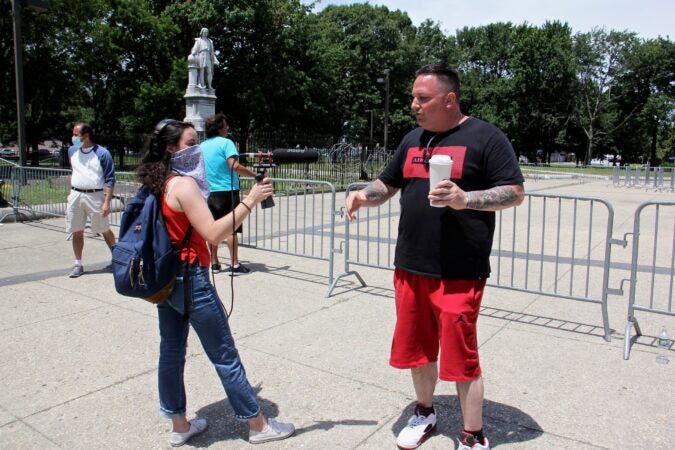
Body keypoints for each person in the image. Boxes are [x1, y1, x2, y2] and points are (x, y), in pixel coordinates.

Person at [345, 64, 525, 450]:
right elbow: (387, 183)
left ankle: (473, 435)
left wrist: (466, 199)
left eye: (422, 98)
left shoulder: (485, 137)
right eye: (413, 97)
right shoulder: (413, 139)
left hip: (459, 271)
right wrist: (362, 194)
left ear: (449, 99)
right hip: (410, 266)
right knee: (418, 349)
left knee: (462, 357)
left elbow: (514, 191)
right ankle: (424, 412)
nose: (414, 105)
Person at [138, 119, 294, 447]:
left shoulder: (159, 181)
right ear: (171, 148)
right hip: (191, 278)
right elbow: (213, 233)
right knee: (224, 353)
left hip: (167, 279)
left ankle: (179, 424)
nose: (197, 149)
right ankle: (258, 424)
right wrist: (250, 201)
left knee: (170, 351)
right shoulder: (183, 186)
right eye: (191, 142)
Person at [201, 113, 257, 274]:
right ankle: (234, 264)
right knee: (232, 229)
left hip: (209, 192)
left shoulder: (202, 146)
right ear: (219, 128)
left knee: (213, 228)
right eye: (225, 125)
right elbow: (234, 166)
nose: (227, 128)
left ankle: (214, 263)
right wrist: (255, 175)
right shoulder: (226, 143)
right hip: (227, 190)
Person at [66, 123, 116, 278]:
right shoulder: (72, 150)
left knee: (104, 228)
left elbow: (109, 179)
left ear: (86, 136)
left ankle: (118, 259)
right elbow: (74, 169)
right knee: (76, 230)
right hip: (76, 195)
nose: (73, 137)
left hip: (95, 195)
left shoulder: (102, 153)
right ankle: (78, 263)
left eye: (76, 134)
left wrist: (107, 202)